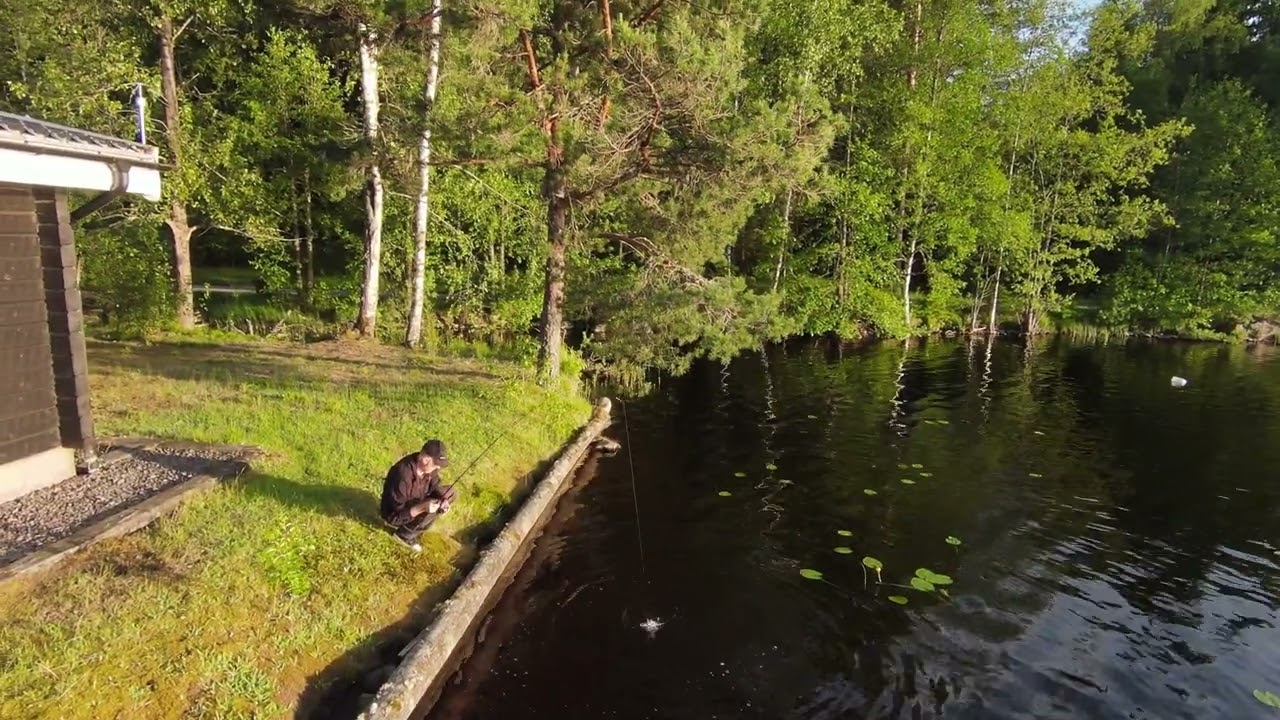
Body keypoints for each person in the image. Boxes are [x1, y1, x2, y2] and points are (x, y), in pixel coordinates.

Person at [380, 439, 457, 552]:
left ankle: (416, 525)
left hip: (416, 501)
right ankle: (404, 535)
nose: (438, 468)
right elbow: (397, 513)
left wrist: (444, 500)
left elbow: (435, 486)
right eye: (436, 464)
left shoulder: (428, 469)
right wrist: (422, 508)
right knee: (430, 508)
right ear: (425, 460)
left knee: (451, 492)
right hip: (395, 515)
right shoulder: (402, 475)